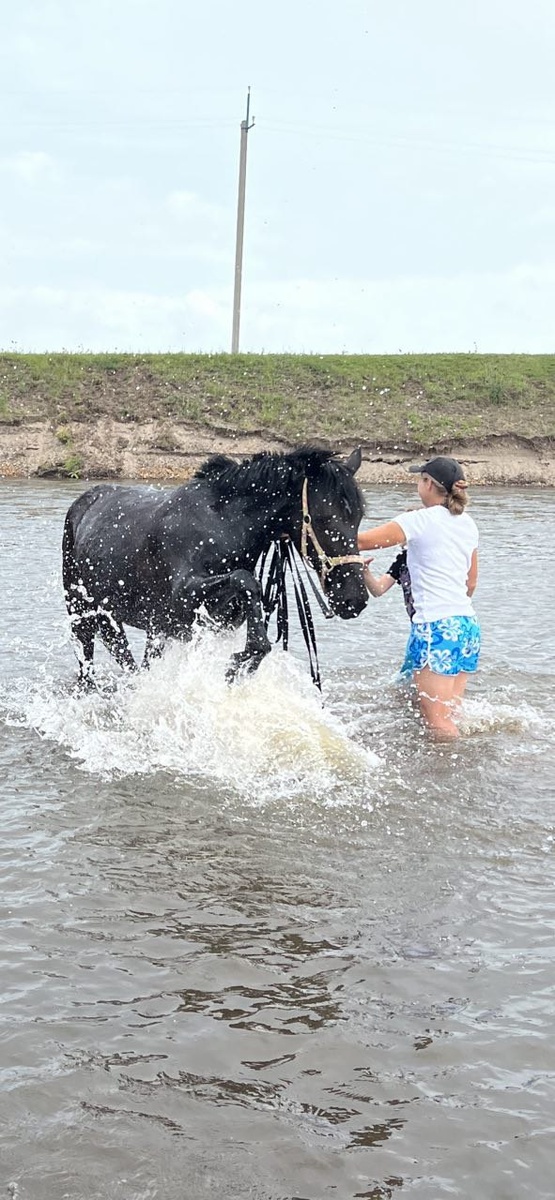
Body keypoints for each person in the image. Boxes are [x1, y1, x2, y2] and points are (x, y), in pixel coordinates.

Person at [358, 456, 480, 739]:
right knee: (449, 713)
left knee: (436, 722)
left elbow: (362, 541)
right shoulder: (468, 523)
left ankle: (452, 777)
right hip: (466, 626)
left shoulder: (419, 520)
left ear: (428, 483)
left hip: (435, 627)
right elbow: (470, 583)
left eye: (419, 479)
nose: (417, 485)